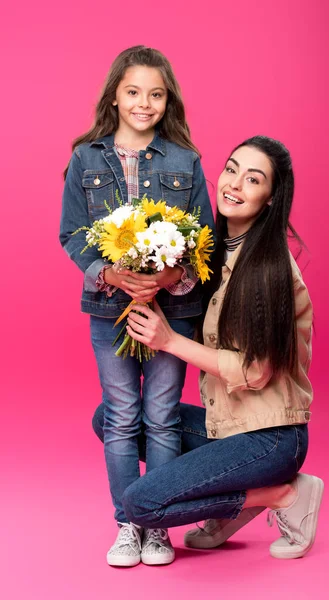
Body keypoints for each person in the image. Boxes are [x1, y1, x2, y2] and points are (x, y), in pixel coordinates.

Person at [93, 135, 324, 561]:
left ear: (271, 198)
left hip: (270, 439)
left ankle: (276, 494)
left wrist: (170, 341)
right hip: (227, 426)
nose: (234, 184)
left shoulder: (271, 267)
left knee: (139, 505)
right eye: (232, 169)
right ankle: (236, 494)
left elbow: (256, 372)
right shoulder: (210, 251)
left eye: (253, 179)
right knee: (109, 418)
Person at [59, 45, 214, 567]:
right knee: (124, 417)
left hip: (174, 310)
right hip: (109, 310)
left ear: (167, 100)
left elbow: (202, 235)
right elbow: (71, 234)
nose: (144, 103)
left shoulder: (184, 159)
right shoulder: (85, 157)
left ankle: (159, 525)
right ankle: (129, 522)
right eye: (133, 92)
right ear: (115, 96)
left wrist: (169, 275)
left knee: (163, 417)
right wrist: (109, 273)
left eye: (155, 93)